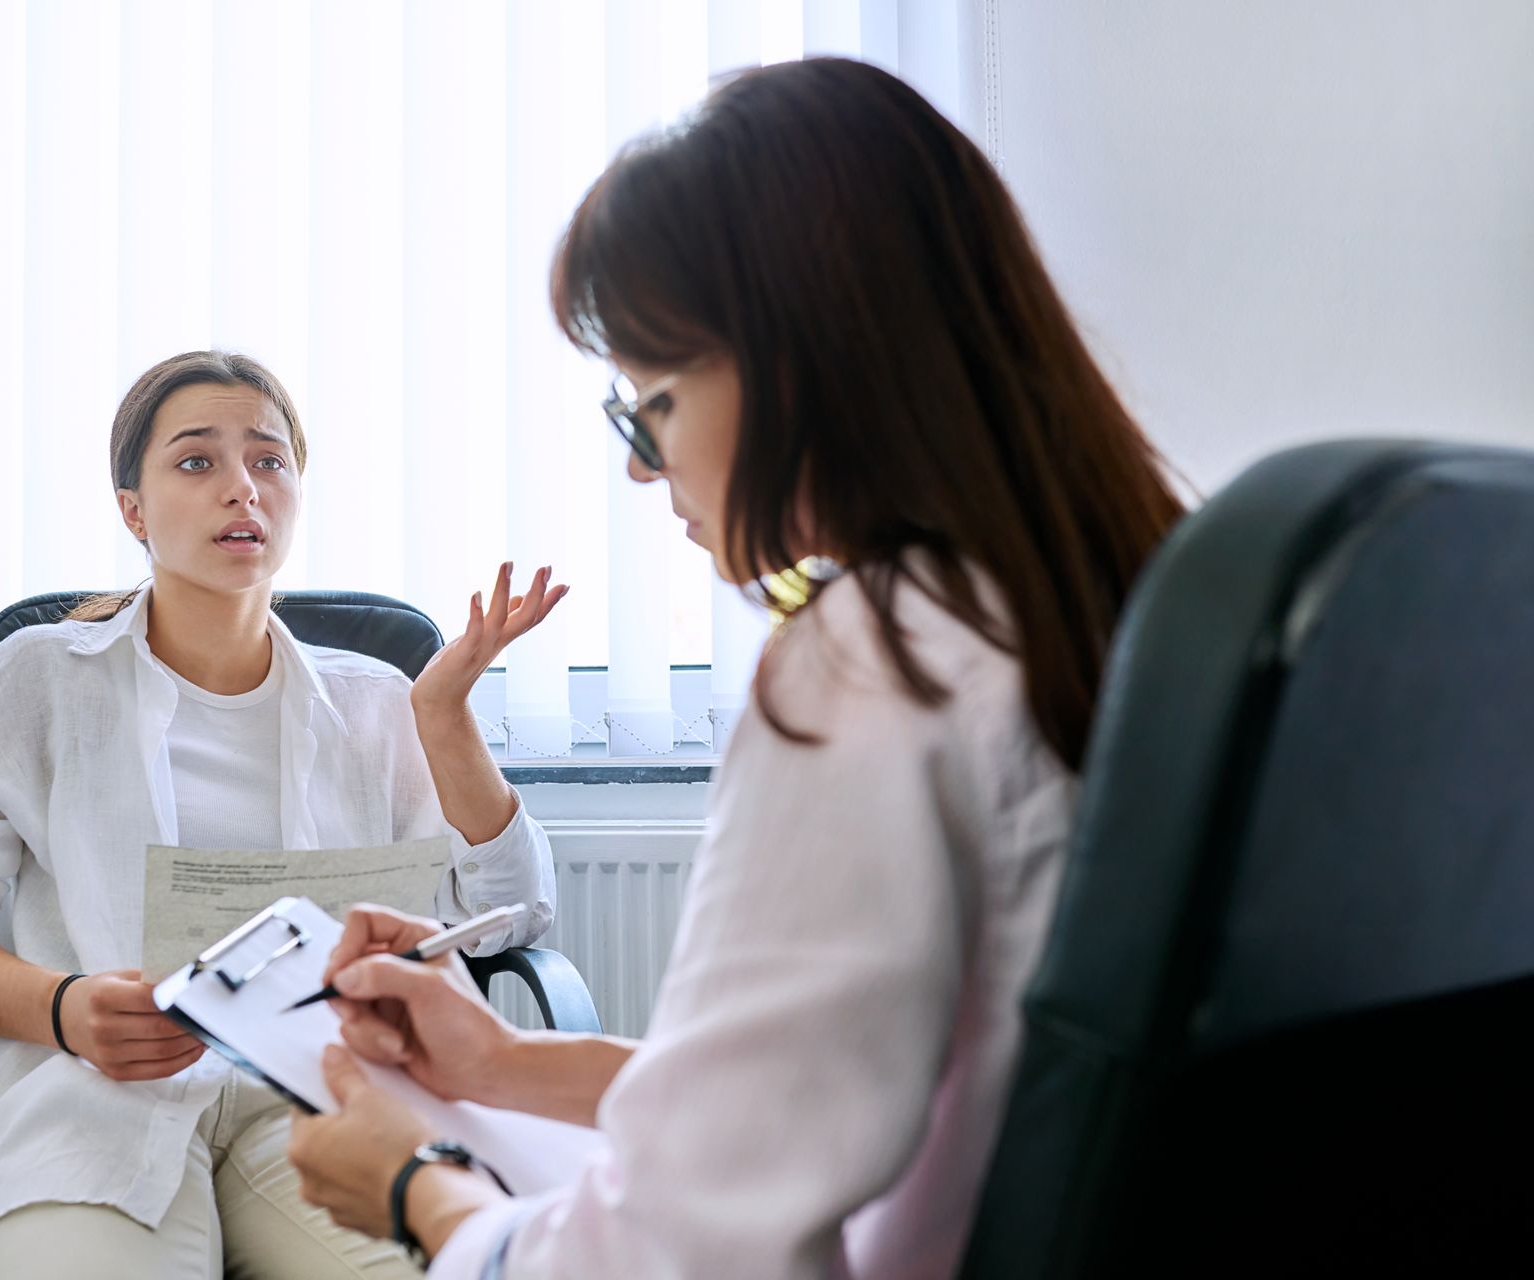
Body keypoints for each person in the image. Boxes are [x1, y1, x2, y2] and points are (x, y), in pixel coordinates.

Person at [285, 57, 1186, 1279]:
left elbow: (677, 1253)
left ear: (809, 358)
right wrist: (499, 1062)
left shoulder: (877, 663)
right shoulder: (1117, 604)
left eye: (646, 404)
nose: (643, 470)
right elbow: (836, 1091)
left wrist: (419, 1192)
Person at [0, 349, 566, 1280]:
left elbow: (509, 915)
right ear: (133, 509)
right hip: (87, 1095)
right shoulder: (42, 679)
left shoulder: (377, 700)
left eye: (269, 461)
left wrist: (441, 718)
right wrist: (63, 1008)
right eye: (197, 462)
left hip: (323, 1099)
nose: (243, 487)